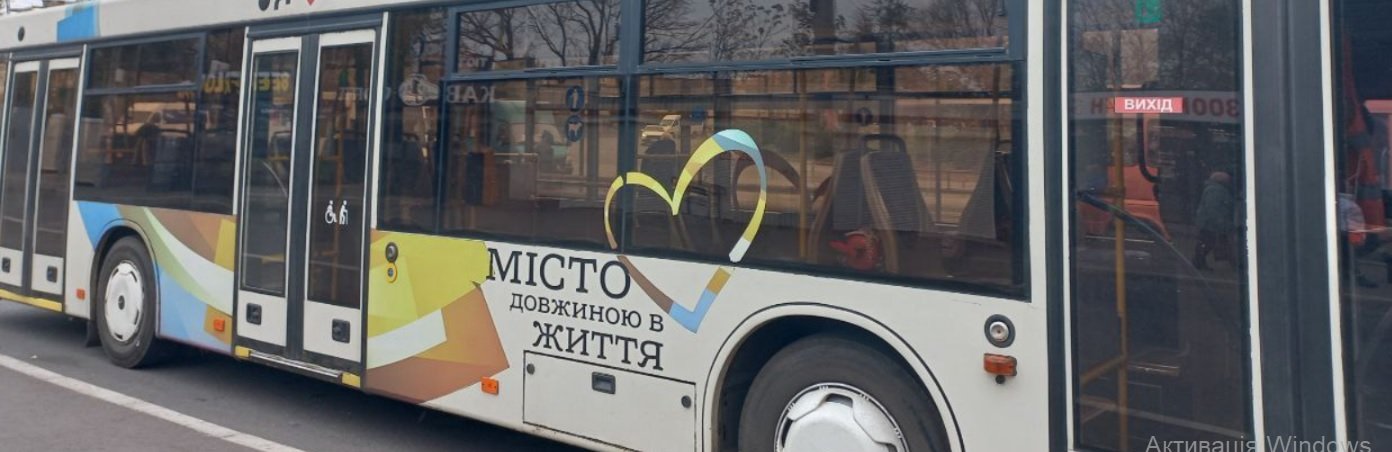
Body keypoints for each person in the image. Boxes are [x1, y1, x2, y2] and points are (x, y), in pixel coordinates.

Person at [1193, 171, 1235, 270]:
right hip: (1210, 223)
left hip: (1209, 222)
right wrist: (1219, 222)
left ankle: (1199, 262)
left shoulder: (1214, 189)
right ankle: (1198, 262)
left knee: (1206, 242)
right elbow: (1213, 208)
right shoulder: (1216, 190)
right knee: (1207, 242)